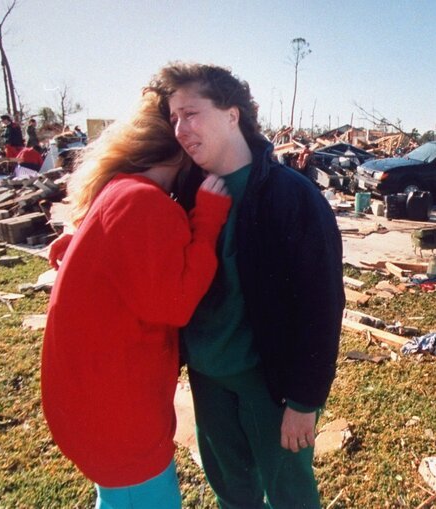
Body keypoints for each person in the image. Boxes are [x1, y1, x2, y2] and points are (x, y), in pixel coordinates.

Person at [148, 62, 344, 509]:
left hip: (268, 383)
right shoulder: (182, 191)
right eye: (174, 117)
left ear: (232, 114)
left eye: (191, 113)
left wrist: (304, 400)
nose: (179, 129)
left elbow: (322, 304)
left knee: (290, 496)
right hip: (207, 376)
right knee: (232, 494)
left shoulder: (290, 195)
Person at [41, 90, 231, 508]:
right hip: (121, 415)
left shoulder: (118, 189)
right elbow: (176, 302)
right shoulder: (146, 203)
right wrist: (209, 219)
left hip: (90, 402)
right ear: (182, 151)